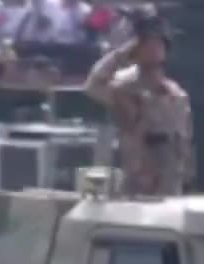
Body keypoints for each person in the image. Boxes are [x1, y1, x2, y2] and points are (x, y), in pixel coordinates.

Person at [82, 12, 194, 196]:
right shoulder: (124, 89)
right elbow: (93, 85)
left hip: (168, 183)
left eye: (158, 42)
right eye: (147, 42)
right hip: (137, 179)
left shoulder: (176, 95)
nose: (153, 48)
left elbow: (183, 142)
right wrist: (121, 54)